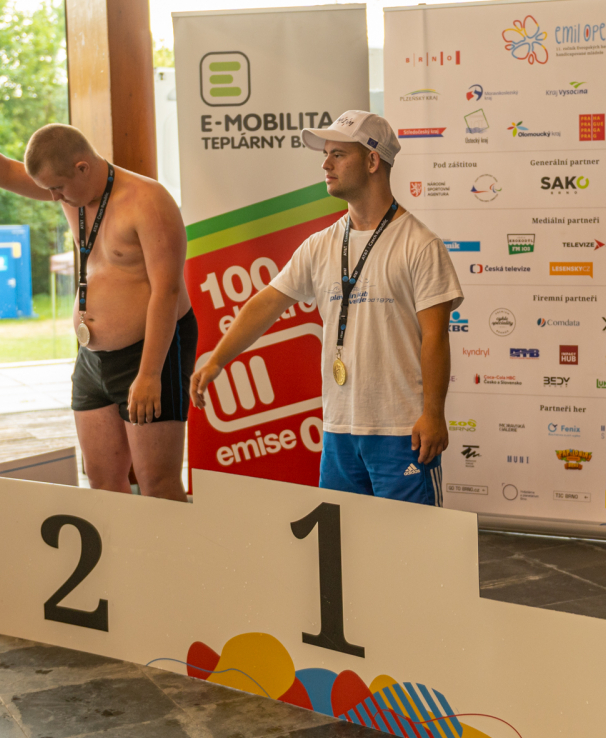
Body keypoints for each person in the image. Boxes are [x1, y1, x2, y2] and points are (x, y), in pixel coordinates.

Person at [0, 91, 195, 501]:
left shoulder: (148, 202)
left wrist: (150, 374)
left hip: (151, 351)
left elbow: (166, 292)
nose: (53, 198)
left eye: (58, 188)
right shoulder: (72, 192)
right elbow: (6, 172)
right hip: (92, 356)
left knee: (158, 483)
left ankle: (174, 549)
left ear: (82, 167)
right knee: (102, 480)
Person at [190, 110, 462, 506]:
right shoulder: (320, 245)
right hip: (339, 430)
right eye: (325, 154)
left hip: (402, 430)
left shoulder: (420, 245)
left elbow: (435, 336)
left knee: (411, 543)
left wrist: (433, 413)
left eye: (338, 154)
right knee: (345, 540)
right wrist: (217, 359)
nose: (325, 164)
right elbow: (268, 302)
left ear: (372, 161)